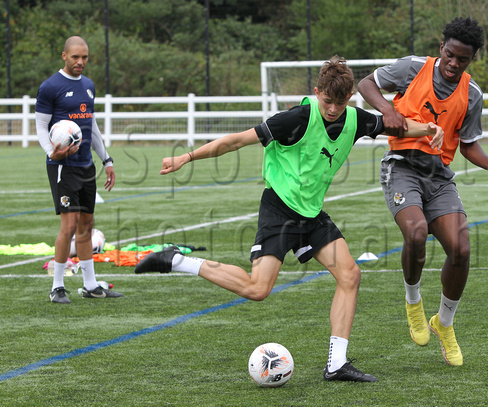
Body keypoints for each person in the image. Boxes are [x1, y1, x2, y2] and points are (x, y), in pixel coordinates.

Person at [135, 56, 443, 382]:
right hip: (280, 209)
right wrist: (186, 157)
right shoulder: (296, 118)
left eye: (340, 102)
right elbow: (236, 140)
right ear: (316, 91)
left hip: (310, 214)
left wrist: (429, 128)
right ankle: (177, 261)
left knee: (350, 275)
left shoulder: (355, 119)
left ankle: (336, 364)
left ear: (349, 98)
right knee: (258, 289)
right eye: (327, 101)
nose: (334, 109)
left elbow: (396, 125)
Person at [358, 17, 488, 367]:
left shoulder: (472, 93)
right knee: (416, 232)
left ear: (471, 59)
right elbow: (366, 84)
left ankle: (444, 323)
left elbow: (469, 144)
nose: (455, 64)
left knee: (461, 248)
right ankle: (413, 302)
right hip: (402, 166)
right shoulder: (411, 68)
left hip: (439, 176)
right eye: (451, 55)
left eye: (463, 59)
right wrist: (387, 109)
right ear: (442, 47)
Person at [35, 36, 123, 303]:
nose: (80, 62)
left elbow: (91, 127)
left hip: (87, 166)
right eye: (75, 57)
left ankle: (90, 285)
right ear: (64, 56)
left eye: (84, 57)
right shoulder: (50, 87)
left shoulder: (88, 86)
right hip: (63, 167)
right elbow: (40, 126)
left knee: (87, 224)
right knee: (69, 225)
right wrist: (52, 151)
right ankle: (57, 286)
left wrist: (106, 160)